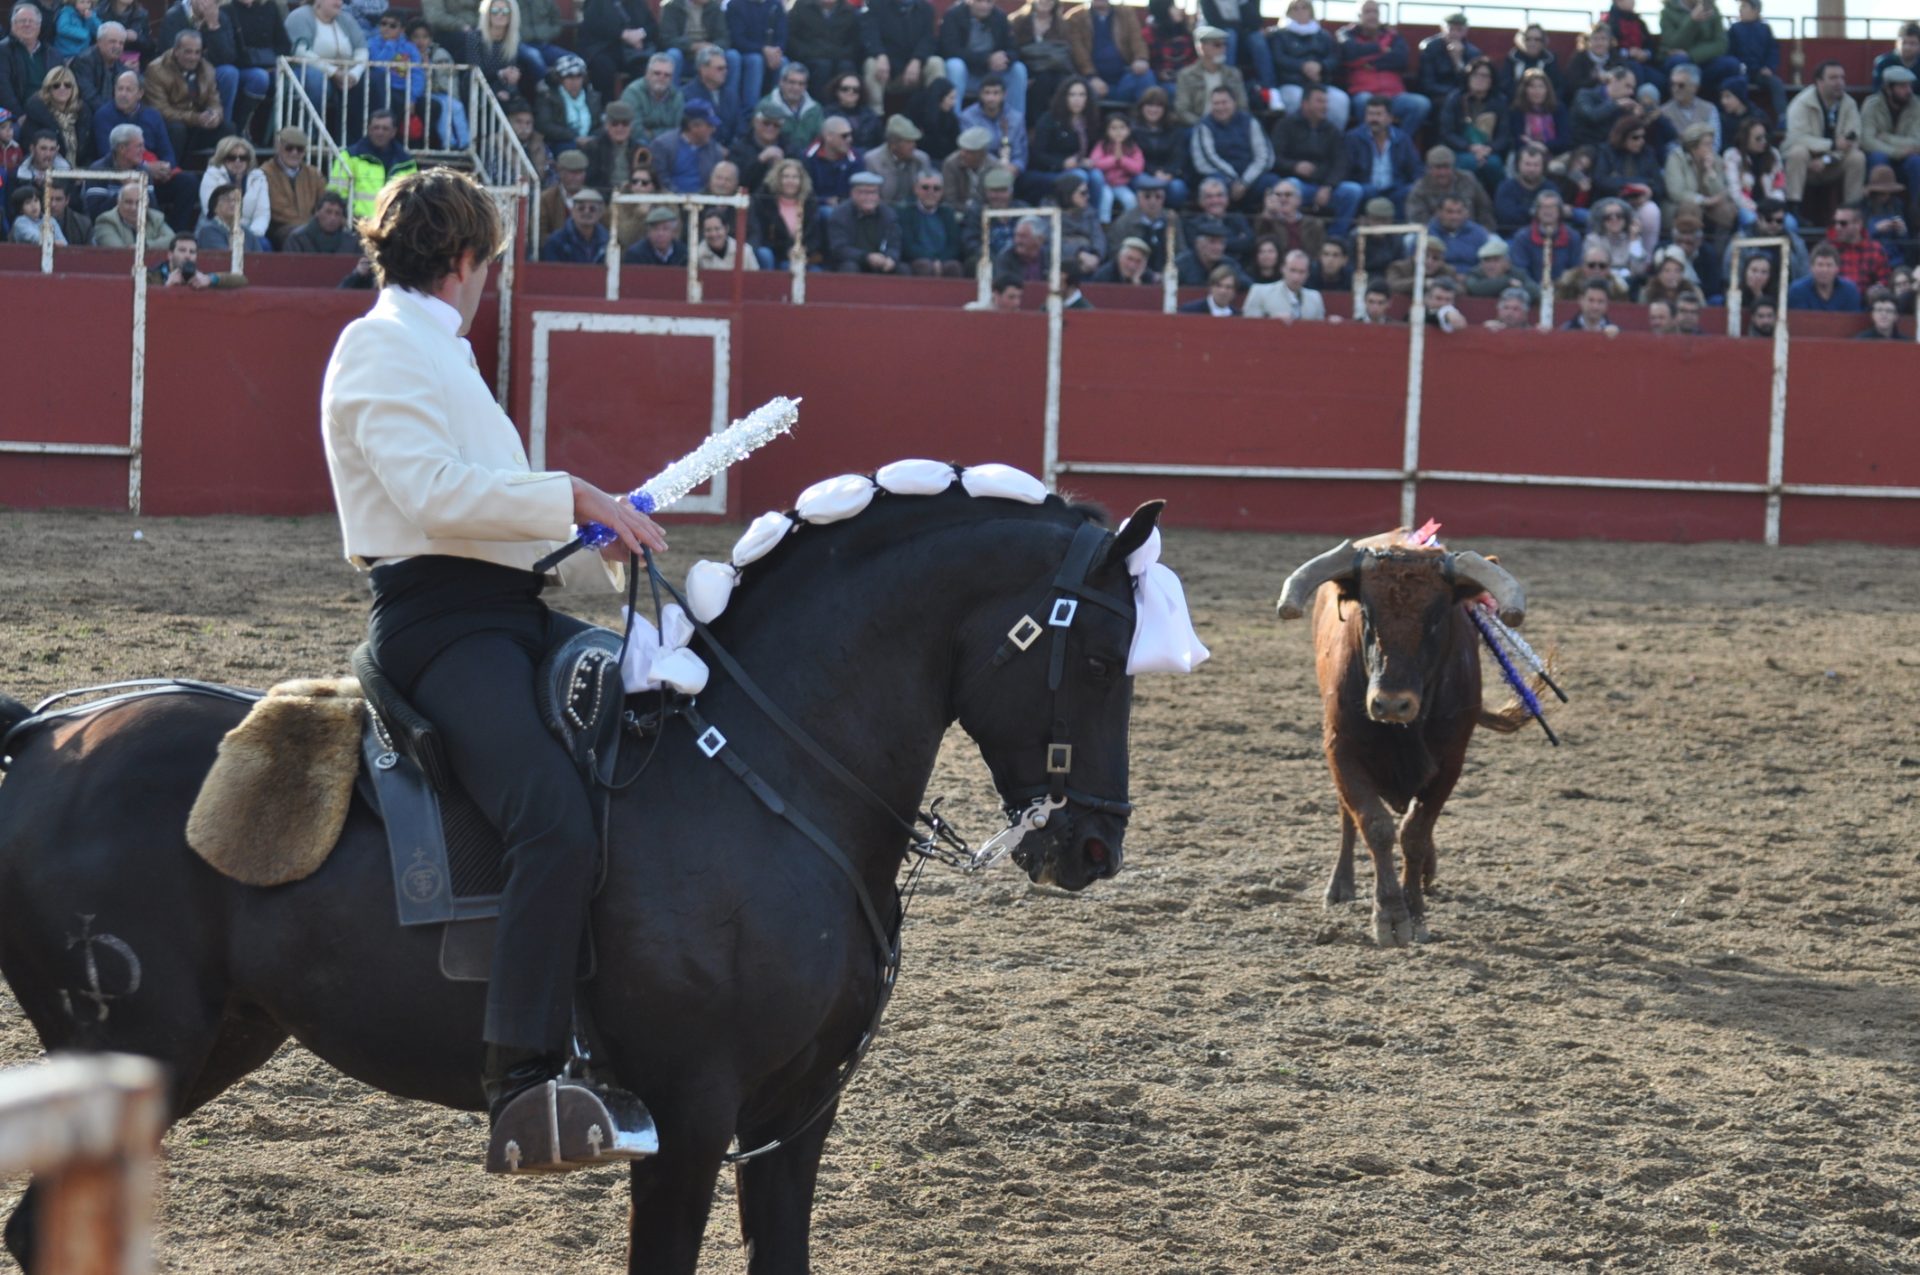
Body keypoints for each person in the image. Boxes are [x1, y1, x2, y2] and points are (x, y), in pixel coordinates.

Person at [324, 170, 666, 1173]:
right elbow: (432, 500)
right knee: (549, 817)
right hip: (439, 633)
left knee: (653, 712)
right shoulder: (381, 345)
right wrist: (575, 493)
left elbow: (484, 508)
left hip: (508, 614)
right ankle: (522, 1078)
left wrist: (587, 532)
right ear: (470, 261)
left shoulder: (431, 350)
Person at [1271, 83, 1359, 236]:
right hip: (1299, 184)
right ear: (1305, 104)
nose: (1325, 106)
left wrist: (1328, 186)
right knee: (1289, 187)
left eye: (1326, 102)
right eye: (1319, 101)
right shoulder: (1285, 125)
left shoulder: (1332, 130)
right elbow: (1274, 158)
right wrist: (1294, 166)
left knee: (1352, 191)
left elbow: (1341, 163)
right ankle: (1289, 234)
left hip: (1325, 186)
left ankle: (1336, 238)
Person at [1783, 60, 1866, 218]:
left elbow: (1852, 142)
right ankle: (1793, 210)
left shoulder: (1849, 104)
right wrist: (1832, 144)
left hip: (1833, 162)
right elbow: (1796, 138)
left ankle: (1852, 212)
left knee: (1857, 157)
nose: (1840, 82)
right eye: (1833, 78)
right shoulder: (1801, 103)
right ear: (1819, 81)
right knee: (1797, 152)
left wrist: (1827, 159)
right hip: (1806, 164)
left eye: (1842, 77)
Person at [1336, 1, 1427, 138]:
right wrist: (1381, 49)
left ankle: (1397, 144)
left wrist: (1365, 62)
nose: (1372, 16)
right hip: (1363, 92)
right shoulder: (1346, 34)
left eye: (1375, 12)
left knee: (1421, 104)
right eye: (1367, 12)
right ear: (1359, 15)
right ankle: (1369, 144)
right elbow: (1350, 53)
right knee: (1364, 102)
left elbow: (1400, 60)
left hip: (1394, 95)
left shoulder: (1394, 36)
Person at [286, 0, 369, 142]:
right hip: (306, 68)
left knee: (372, 80)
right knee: (316, 80)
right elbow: (301, 52)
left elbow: (362, 49)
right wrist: (333, 72)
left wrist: (354, 74)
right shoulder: (300, 16)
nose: (339, 2)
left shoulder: (346, 19)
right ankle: (310, 138)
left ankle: (353, 141)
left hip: (345, 71)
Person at [1270, 0, 1347, 129]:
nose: (1300, 11)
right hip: (1291, 83)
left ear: (1311, 11)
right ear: (1288, 12)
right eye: (1295, 8)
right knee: (1295, 100)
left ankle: (1331, 140)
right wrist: (1302, 67)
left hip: (1321, 83)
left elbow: (1334, 58)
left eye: (1304, 7)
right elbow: (1279, 59)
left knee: (1340, 100)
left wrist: (1320, 67)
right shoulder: (1280, 35)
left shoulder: (1324, 35)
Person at [330, 108, 417, 219]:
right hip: (356, 224)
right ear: (369, 130)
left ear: (393, 132)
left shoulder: (406, 162)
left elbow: (411, 197)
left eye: (385, 129)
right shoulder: (349, 157)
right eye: (376, 128)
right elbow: (336, 194)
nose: (380, 132)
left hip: (392, 225)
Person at [1063, 0, 1152, 104]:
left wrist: (1141, 59)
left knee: (1146, 77)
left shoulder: (1126, 13)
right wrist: (1091, 77)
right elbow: (1078, 52)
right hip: (1091, 79)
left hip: (1124, 76)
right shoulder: (1076, 17)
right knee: (1079, 91)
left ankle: (1142, 119)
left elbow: (1137, 39)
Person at [1344, 95, 1418, 219]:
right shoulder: (1353, 138)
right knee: (1360, 191)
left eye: (1378, 114)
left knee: (1409, 191)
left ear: (1390, 118)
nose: (1373, 119)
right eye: (1370, 114)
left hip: (1395, 189)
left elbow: (1415, 168)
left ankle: (1401, 233)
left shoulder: (1402, 139)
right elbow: (1346, 169)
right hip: (1367, 188)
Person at [1862, 66, 1920, 220]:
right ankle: (1878, 216)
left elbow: (1917, 142)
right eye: (1902, 86)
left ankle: (1917, 218)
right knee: (1878, 157)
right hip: (1881, 161)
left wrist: (1886, 137)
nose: (1908, 90)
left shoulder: (1917, 105)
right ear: (1888, 88)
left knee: (1916, 162)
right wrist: (1897, 151)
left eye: (1909, 86)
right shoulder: (1871, 104)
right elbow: (1867, 140)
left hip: (1907, 162)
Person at [859, 0, 935, 112]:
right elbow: (870, 33)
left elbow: (928, 39)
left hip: (914, 67)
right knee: (871, 64)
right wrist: (880, 54)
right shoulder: (876, 4)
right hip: (886, 66)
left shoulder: (926, 9)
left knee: (936, 63)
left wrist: (917, 60)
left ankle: (934, 114)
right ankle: (875, 117)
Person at [784, 0, 858, 107]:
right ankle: (819, 108)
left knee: (846, 67)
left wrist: (838, 54)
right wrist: (807, 52)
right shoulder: (801, 6)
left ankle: (845, 109)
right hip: (810, 57)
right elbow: (791, 37)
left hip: (839, 58)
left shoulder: (849, 11)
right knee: (822, 66)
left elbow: (855, 42)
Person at [1664, 120, 1733, 235]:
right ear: (1693, 146)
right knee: (1691, 209)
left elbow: (1721, 193)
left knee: (1727, 209)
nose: (1711, 148)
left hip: (1709, 206)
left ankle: (1721, 250)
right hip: (1680, 205)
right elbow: (1676, 193)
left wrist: (1710, 172)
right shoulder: (1676, 158)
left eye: (1712, 143)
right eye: (1706, 144)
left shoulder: (1715, 159)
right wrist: (1703, 201)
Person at [265, 126, 327, 246]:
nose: (294, 153)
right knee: (299, 236)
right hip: (280, 228)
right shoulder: (266, 173)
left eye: (300, 149)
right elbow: (279, 210)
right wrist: (311, 227)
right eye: (289, 148)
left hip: (311, 227)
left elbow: (324, 201)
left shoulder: (314, 174)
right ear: (279, 147)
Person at [826, 167, 899, 270]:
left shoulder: (888, 214)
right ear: (853, 193)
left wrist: (891, 258)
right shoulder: (840, 214)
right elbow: (839, 248)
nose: (869, 197)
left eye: (873, 193)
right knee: (849, 267)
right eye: (864, 192)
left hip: (880, 262)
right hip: (852, 262)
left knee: (901, 268)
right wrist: (866, 257)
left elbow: (894, 244)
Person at [750, 154, 818, 265]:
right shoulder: (764, 201)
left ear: (802, 180)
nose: (790, 181)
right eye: (785, 177)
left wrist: (805, 251)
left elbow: (814, 237)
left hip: (804, 258)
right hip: (776, 256)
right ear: (777, 178)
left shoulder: (810, 203)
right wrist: (787, 252)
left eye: (795, 177)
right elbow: (760, 235)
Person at [1173, 24, 1244, 127]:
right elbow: (1182, 110)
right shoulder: (1186, 75)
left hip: (1229, 127)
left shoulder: (1233, 74)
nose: (1223, 49)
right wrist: (1203, 126)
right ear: (1201, 47)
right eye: (1217, 45)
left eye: (1225, 45)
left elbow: (1242, 106)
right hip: (1198, 126)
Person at [1726, 0, 1784, 122]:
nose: (1740, 10)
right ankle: (1741, 119)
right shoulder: (1734, 29)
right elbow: (1729, 52)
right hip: (1740, 72)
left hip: (1760, 72)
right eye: (1740, 7)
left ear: (1755, 10)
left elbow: (1773, 51)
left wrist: (1769, 67)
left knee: (1776, 83)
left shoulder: (1765, 29)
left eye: (1744, 7)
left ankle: (1783, 117)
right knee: (1736, 85)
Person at [649, 100, 723, 194]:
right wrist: (681, 199)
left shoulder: (715, 150)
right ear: (693, 126)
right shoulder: (662, 145)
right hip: (669, 202)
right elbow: (660, 179)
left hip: (705, 201)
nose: (713, 129)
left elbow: (713, 182)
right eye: (709, 125)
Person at [959, 74, 1026, 177]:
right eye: (987, 93)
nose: (991, 98)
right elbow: (971, 150)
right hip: (979, 170)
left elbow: (1020, 153)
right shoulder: (968, 117)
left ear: (1004, 94)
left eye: (996, 93)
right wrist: (997, 167)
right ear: (980, 95)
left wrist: (1015, 167)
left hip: (1011, 171)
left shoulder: (1016, 118)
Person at [897, 166, 960, 275]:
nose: (931, 192)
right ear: (916, 189)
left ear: (942, 192)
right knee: (924, 265)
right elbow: (907, 246)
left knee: (953, 267)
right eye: (925, 187)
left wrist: (939, 260)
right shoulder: (906, 213)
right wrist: (932, 259)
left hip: (943, 260)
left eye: (936, 188)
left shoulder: (947, 213)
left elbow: (954, 245)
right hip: (917, 260)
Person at [25, 64, 91, 168]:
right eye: (56, 85)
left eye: (67, 85)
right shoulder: (37, 113)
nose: (62, 88)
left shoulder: (83, 113)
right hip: (47, 172)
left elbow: (90, 151)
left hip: (79, 172)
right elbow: (29, 151)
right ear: (48, 89)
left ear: (73, 88)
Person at [725, 0, 783, 116]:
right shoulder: (735, 5)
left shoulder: (776, 5)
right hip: (745, 53)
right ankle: (750, 112)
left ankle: (779, 111)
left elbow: (783, 35)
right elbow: (737, 39)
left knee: (784, 63)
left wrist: (777, 51)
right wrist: (763, 50)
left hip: (770, 53)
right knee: (755, 61)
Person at [1109, 171, 1178, 268]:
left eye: (1158, 197)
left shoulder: (1171, 220)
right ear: (1138, 198)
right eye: (1147, 197)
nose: (1152, 202)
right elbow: (1115, 253)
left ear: (1164, 199)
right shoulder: (1124, 222)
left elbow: (1180, 250)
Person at [1129, 87, 1186, 204]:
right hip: (1143, 173)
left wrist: (1169, 173)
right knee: (1143, 183)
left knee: (1178, 188)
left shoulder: (1174, 130)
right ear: (1142, 107)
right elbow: (1134, 158)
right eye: (1149, 105)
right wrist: (1155, 173)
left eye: (1158, 106)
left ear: (1165, 109)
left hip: (1168, 175)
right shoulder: (1132, 130)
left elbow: (1178, 156)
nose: (1153, 110)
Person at [863, 111, 930, 203]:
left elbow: (927, 193)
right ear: (893, 144)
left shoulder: (921, 159)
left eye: (914, 141)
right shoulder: (872, 160)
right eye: (908, 142)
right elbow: (871, 198)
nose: (914, 145)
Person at [1242, 246, 1323, 320]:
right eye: (1292, 270)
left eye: (1301, 272)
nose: (1296, 277)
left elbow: (1320, 330)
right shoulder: (1259, 292)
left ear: (1307, 274)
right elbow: (1249, 327)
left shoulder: (1315, 298)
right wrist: (1273, 321)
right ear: (1283, 269)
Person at [1416, 12, 1481, 104]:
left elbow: (1470, 82)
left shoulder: (1473, 52)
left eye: (1459, 30)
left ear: (1465, 31)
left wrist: (1458, 61)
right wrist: (1454, 94)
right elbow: (1427, 83)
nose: (1454, 33)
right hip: (1437, 95)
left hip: (1463, 95)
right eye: (1451, 29)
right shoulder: (1430, 48)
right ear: (1443, 29)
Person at [89, 177, 171, 246]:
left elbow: (172, 241)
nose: (134, 208)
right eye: (128, 202)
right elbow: (119, 252)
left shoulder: (156, 218)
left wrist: (144, 246)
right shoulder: (105, 220)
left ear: (147, 204)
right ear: (118, 203)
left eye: (139, 203)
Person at [1826, 205, 1891, 292]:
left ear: (1858, 224)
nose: (1837, 227)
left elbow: (1884, 282)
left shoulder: (1876, 250)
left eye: (1843, 223)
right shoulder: (1827, 249)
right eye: (1835, 222)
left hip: (1866, 302)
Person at [148, 229, 245, 286]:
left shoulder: (197, 277)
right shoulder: (151, 276)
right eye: (182, 250)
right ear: (170, 255)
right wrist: (166, 287)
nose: (187, 255)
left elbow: (241, 280)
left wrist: (209, 279)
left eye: (192, 252)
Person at [1787, 241, 1862, 310]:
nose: (1824, 270)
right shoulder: (1797, 291)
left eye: (1829, 265)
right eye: (1820, 265)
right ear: (1811, 268)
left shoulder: (1849, 291)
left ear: (1837, 268)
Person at [540, 183, 607, 261]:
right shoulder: (556, 242)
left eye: (592, 209)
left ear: (600, 213)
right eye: (581, 208)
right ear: (573, 211)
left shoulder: (607, 242)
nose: (586, 212)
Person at [804, 112, 857, 204]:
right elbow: (804, 192)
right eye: (844, 136)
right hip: (815, 206)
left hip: (847, 207)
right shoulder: (808, 157)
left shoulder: (854, 158)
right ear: (828, 137)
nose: (850, 139)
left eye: (850, 135)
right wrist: (825, 201)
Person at [283, 187, 359, 251]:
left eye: (337, 214)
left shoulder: (351, 242)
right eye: (328, 212)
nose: (333, 218)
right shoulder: (298, 239)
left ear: (342, 218)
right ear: (317, 212)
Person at [1501, 24, 1564, 100]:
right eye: (1528, 39)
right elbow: (1504, 86)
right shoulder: (1511, 59)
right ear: (1520, 41)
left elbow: (1558, 88)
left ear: (1543, 42)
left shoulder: (1550, 61)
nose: (1532, 43)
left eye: (1537, 39)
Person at [1090, 233, 1156, 283]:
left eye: (1138, 261)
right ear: (1119, 257)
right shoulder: (1104, 276)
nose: (1132, 265)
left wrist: (1137, 282)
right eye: (1129, 259)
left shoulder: (1147, 277)